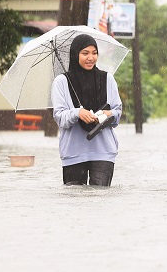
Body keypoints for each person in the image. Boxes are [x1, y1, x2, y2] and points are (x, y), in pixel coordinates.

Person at [51, 33, 123, 186]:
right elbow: (59, 117)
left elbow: (117, 112)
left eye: (94, 53)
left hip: (103, 152)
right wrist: (77, 113)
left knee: (100, 202)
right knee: (75, 204)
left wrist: (109, 114)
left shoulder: (107, 79)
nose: (91, 57)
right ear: (75, 54)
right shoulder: (61, 82)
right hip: (73, 152)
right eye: (85, 53)